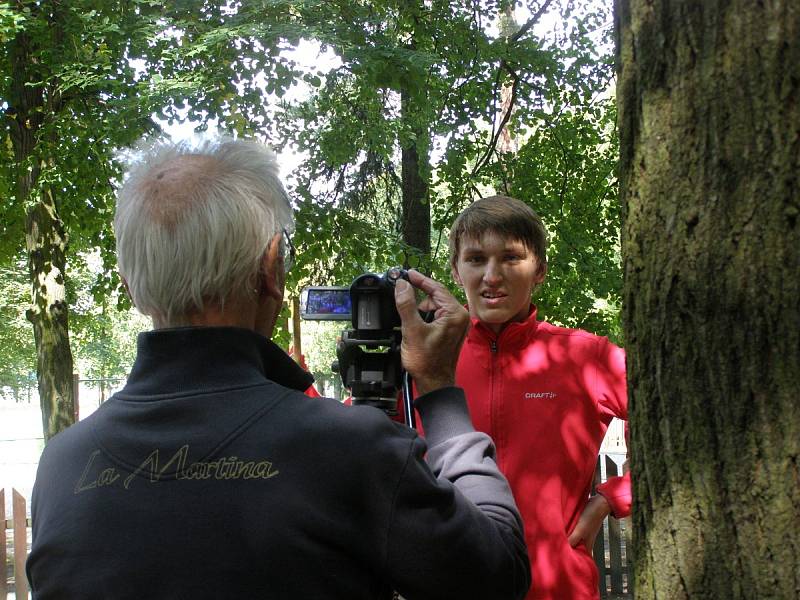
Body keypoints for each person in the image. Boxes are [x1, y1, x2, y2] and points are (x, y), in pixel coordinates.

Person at [25, 137, 530, 600]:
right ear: (271, 269)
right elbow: (497, 574)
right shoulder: (347, 448)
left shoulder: (62, 464)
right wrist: (439, 391)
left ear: (132, 287)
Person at [449, 195, 630, 600]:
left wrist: (611, 498)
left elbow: (670, 420)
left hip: (557, 587)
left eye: (511, 258)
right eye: (476, 259)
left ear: (540, 271)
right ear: (457, 272)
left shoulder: (587, 357)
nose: (492, 276)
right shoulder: (427, 359)